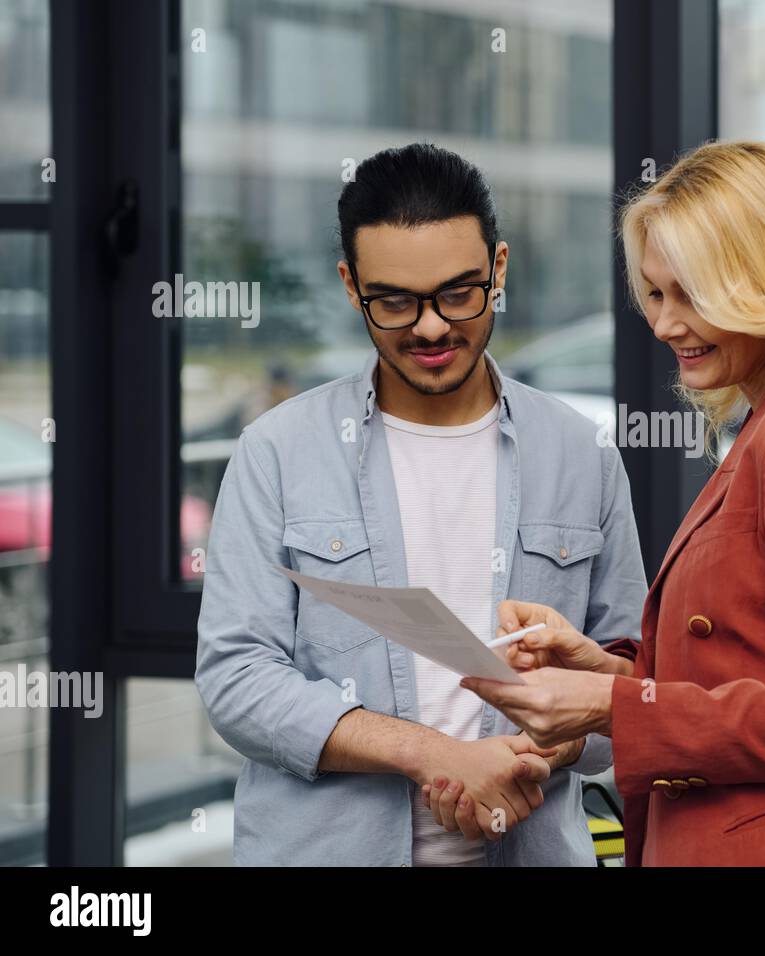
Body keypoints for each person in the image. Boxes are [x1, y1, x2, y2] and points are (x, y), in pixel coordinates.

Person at [451, 140, 765, 866]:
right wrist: (599, 672)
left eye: (690, 295)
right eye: (654, 293)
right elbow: (745, 674)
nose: (664, 324)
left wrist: (611, 707)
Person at [195, 143, 647, 866]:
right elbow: (237, 678)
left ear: (499, 269)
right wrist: (434, 756)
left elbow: (625, 681)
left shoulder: (580, 453)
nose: (431, 327)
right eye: (395, 301)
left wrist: (540, 753)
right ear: (351, 286)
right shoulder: (277, 450)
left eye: (458, 293)